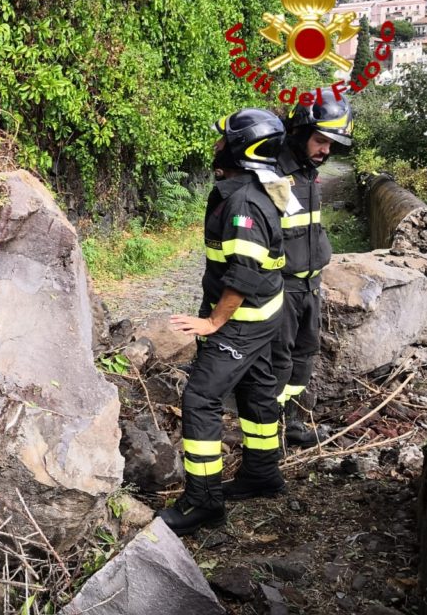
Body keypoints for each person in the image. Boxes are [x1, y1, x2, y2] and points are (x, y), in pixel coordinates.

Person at [162, 108, 291, 536]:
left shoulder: (243, 203)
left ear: (241, 147)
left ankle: (204, 501)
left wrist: (214, 323)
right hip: (265, 317)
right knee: (256, 392)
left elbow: (244, 273)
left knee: (200, 400)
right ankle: (262, 474)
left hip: (241, 322)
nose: (216, 144)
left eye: (223, 139)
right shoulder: (256, 188)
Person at [269, 91, 353, 452]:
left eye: (332, 144)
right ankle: (267, 433)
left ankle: (295, 424)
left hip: (310, 283)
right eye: (321, 141)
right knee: (279, 358)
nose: (326, 151)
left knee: (305, 353)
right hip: (281, 285)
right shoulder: (272, 174)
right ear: (300, 132)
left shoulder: (309, 173)